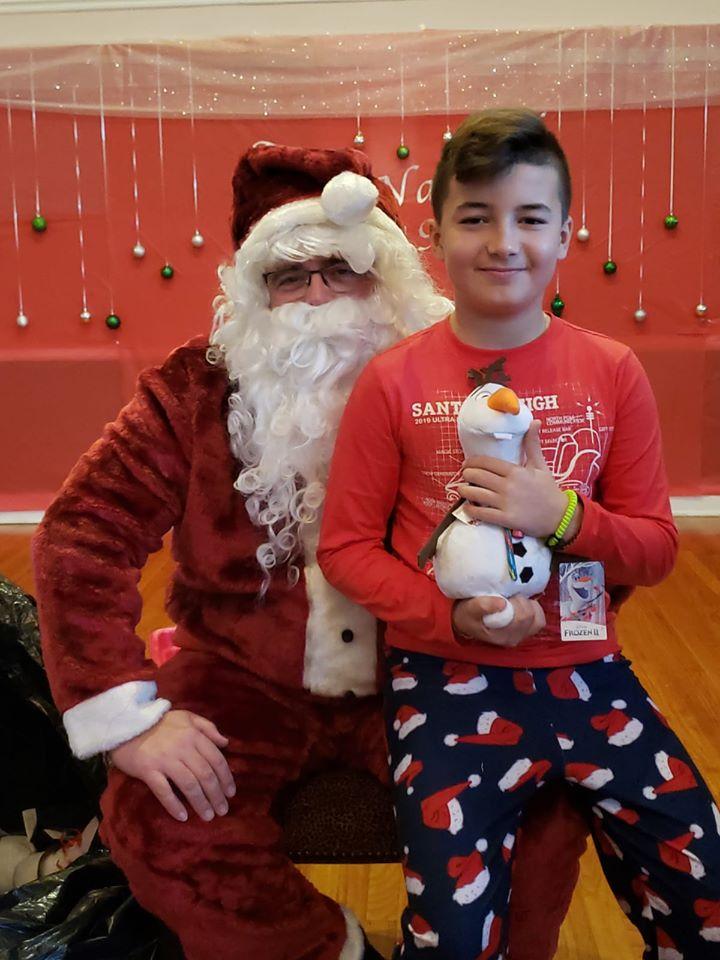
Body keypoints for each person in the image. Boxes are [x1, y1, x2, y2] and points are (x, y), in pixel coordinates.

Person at [32, 143, 586, 960]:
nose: (318, 296)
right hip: (241, 676)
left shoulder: (465, 379)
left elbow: (571, 524)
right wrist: (129, 718)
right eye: (290, 276)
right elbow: (83, 533)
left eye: (341, 269)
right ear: (254, 292)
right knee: (156, 819)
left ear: (385, 278)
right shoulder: (194, 390)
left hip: (430, 662)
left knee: (541, 803)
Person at [318, 110, 720, 960]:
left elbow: (655, 548)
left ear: (565, 235)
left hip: (589, 670)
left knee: (707, 895)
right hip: (445, 680)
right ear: (436, 236)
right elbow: (345, 549)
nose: (504, 242)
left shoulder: (612, 370)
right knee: (452, 940)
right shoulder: (391, 382)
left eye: (531, 218)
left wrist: (562, 515)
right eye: (476, 217)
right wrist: (447, 618)